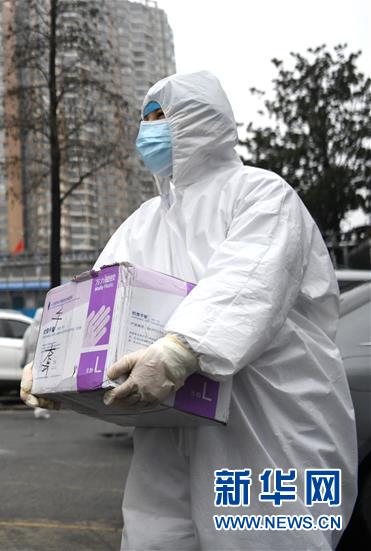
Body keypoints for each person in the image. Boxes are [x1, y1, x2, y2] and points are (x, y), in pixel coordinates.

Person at [21, 71, 357, 549]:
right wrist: (52, 366)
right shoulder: (144, 221)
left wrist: (180, 350)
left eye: (162, 116)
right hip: (166, 422)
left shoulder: (260, 193)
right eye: (145, 119)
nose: (149, 129)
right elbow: (97, 299)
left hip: (262, 418)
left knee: (265, 534)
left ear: (203, 119)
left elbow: (249, 279)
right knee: (157, 536)